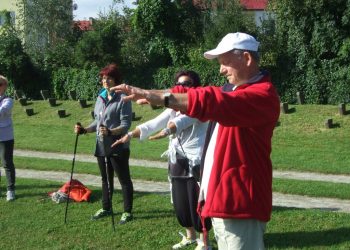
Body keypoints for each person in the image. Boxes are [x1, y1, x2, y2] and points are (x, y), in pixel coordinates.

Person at [111, 32, 280, 249]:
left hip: (239, 204)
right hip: (225, 200)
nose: (221, 69)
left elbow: (210, 100)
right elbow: (196, 92)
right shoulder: (235, 90)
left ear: (246, 59)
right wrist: (153, 93)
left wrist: (160, 97)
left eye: (225, 62)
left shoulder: (261, 95)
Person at [112, 70, 212, 250]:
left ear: (195, 87)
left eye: (187, 84)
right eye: (180, 84)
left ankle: (205, 241)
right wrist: (130, 134)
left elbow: (182, 122)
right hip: (177, 158)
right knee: (180, 198)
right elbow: (155, 122)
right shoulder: (173, 108)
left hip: (196, 160)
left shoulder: (199, 105)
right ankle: (190, 236)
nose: (183, 87)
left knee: (197, 199)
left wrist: (165, 132)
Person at [74, 63, 134, 224]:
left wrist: (110, 132)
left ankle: (127, 212)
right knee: (105, 179)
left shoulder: (123, 98)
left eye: (109, 78)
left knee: (124, 179)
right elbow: (97, 121)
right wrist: (84, 130)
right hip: (101, 144)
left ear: (116, 80)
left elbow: (125, 124)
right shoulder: (100, 97)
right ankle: (106, 208)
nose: (105, 81)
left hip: (117, 144)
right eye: (103, 78)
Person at [0, 75, 16, 201]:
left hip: (5, 137)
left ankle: (10, 190)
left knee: (7, 163)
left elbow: (2, 113)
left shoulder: (8, 100)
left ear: (4, 86)